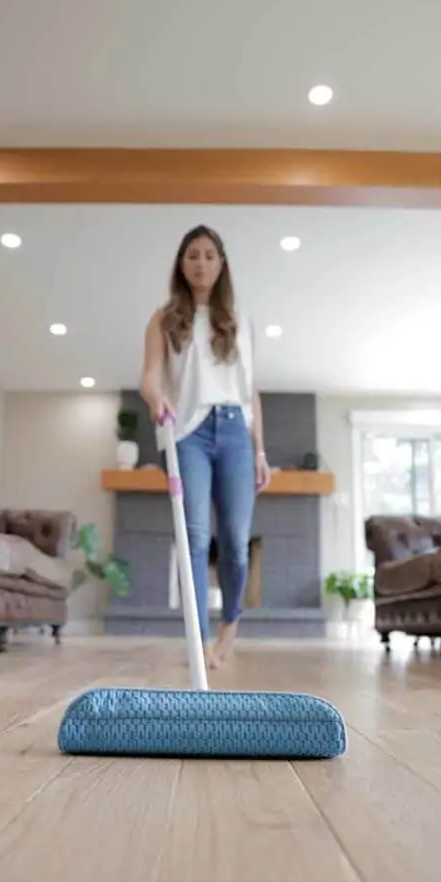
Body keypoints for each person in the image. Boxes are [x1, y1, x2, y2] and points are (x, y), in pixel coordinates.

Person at [140, 224, 271, 669]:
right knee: (193, 536)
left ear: (222, 263)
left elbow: (251, 390)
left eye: (209, 255)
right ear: (181, 263)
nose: (201, 262)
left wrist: (260, 451)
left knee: (235, 541)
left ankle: (228, 630)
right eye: (192, 254)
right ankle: (197, 642)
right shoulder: (163, 318)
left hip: (236, 430)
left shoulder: (240, 321)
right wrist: (155, 398)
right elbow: (151, 375)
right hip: (187, 433)